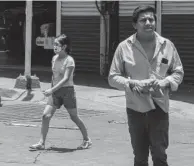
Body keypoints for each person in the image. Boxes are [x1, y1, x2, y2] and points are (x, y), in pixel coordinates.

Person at [108, 5, 184, 166]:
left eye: (151, 19)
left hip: (160, 107)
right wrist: (131, 83)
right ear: (135, 24)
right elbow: (112, 77)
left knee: (160, 155)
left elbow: (178, 72)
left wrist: (165, 82)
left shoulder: (167, 45)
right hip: (136, 108)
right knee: (140, 156)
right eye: (143, 20)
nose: (148, 22)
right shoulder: (124, 47)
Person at [30, 34, 92, 150]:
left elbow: (66, 78)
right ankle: (41, 143)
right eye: (54, 44)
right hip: (55, 92)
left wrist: (52, 90)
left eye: (57, 44)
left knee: (74, 117)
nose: (54, 46)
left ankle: (87, 139)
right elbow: (54, 77)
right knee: (45, 115)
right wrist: (50, 91)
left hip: (67, 91)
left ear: (64, 47)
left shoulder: (69, 61)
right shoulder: (54, 59)